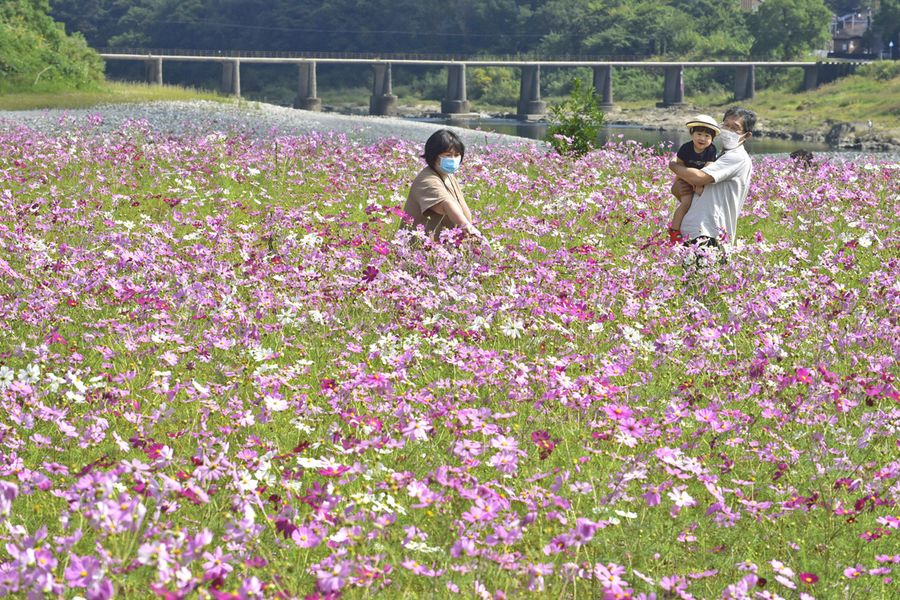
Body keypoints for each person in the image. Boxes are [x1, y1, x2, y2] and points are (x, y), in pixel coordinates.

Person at [668, 106, 757, 248]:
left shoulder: (736, 157)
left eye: (735, 128)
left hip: (710, 235)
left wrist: (674, 167)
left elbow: (699, 178)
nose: (729, 131)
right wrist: (679, 188)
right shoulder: (719, 156)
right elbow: (691, 192)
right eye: (726, 125)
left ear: (746, 135)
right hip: (694, 232)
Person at [403, 129, 482, 241]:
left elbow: (460, 207)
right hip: (422, 249)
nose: (453, 159)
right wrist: (465, 225)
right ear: (433, 155)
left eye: (457, 155)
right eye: (448, 155)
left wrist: (471, 233)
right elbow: (446, 203)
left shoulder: (448, 175)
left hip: (443, 247)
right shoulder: (427, 180)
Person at [668, 115, 720, 244]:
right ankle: (674, 232)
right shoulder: (685, 148)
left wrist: (699, 184)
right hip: (684, 179)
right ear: (692, 134)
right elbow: (679, 167)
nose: (702, 138)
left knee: (703, 200)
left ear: (712, 139)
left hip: (700, 179)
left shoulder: (711, 150)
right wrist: (689, 181)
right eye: (699, 134)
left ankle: (702, 232)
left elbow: (708, 169)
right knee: (686, 204)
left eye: (707, 136)